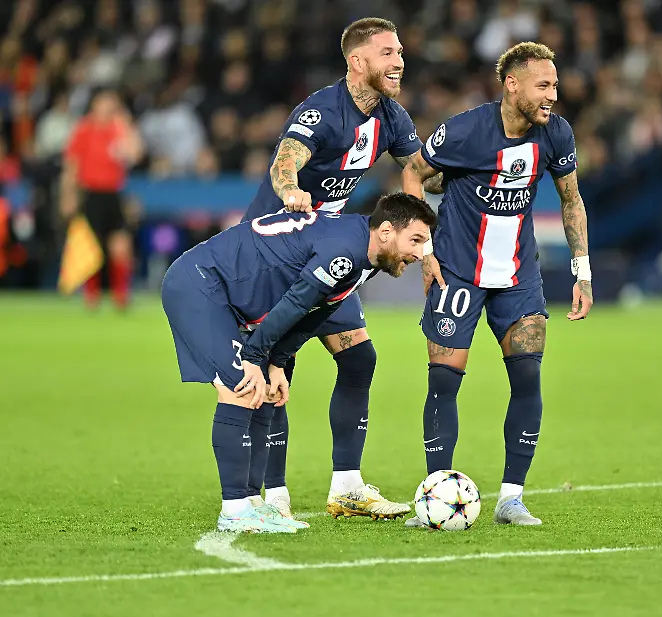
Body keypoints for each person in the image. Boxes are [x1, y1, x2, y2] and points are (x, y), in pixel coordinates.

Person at [240, 17, 443, 520]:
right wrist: (291, 190)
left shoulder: (392, 116)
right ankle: (274, 496)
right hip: (276, 254)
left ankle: (347, 487)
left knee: (358, 359)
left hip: (330, 252)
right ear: (357, 61)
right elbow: (285, 161)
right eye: (387, 53)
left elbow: (421, 171)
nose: (399, 61)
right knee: (276, 365)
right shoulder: (322, 111)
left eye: (400, 52)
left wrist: (478, 164)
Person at [162, 193, 436, 533]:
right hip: (200, 284)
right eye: (415, 240)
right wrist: (253, 357)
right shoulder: (344, 252)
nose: (420, 253)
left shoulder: (365, 255)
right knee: (241, 389)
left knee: (259, 389)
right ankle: (234, 510)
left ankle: (251, 504)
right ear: (385, 231)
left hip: (221, 289)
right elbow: (294, 303)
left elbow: (316, 312)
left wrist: (277, 361)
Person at [401, 42, 593, 527]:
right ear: (512, 84)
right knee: (444, 382)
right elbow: (414, 173)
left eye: (555, 85)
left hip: (518, 276)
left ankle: (511, 499)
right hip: (457, 271)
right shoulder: (465, 130)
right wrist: (424, 250)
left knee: (527, 378)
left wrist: (583, 271)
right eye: (543, 85)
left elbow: (571, 200)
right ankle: (436, 495)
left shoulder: (556, 133)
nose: (553, 95)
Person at [61, 89, 143, 308]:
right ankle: (92, 295)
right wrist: (68, 194)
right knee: (91, 246)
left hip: (114, 194)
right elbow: (72, 164)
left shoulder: (119, 128)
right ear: (95, 104)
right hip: (91, 193)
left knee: (121, 245)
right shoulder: (84, 129)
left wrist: (126, 125)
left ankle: (121, 295)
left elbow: (136, 155)